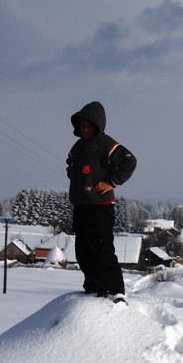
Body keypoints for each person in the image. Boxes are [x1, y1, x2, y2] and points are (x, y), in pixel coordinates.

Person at [66, 101, 136, 302]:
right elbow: (70, 163)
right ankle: (94, 287)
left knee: (103, 249)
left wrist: (111, 182)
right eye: (82, 125)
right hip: (81, 205)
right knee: (83, 250)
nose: (85, 129)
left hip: (101, 206)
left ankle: (115, 290)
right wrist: (73, 174)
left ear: (98, 125)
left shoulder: (106, 143)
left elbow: (129, 161)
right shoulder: (78, 146)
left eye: (89, 125)